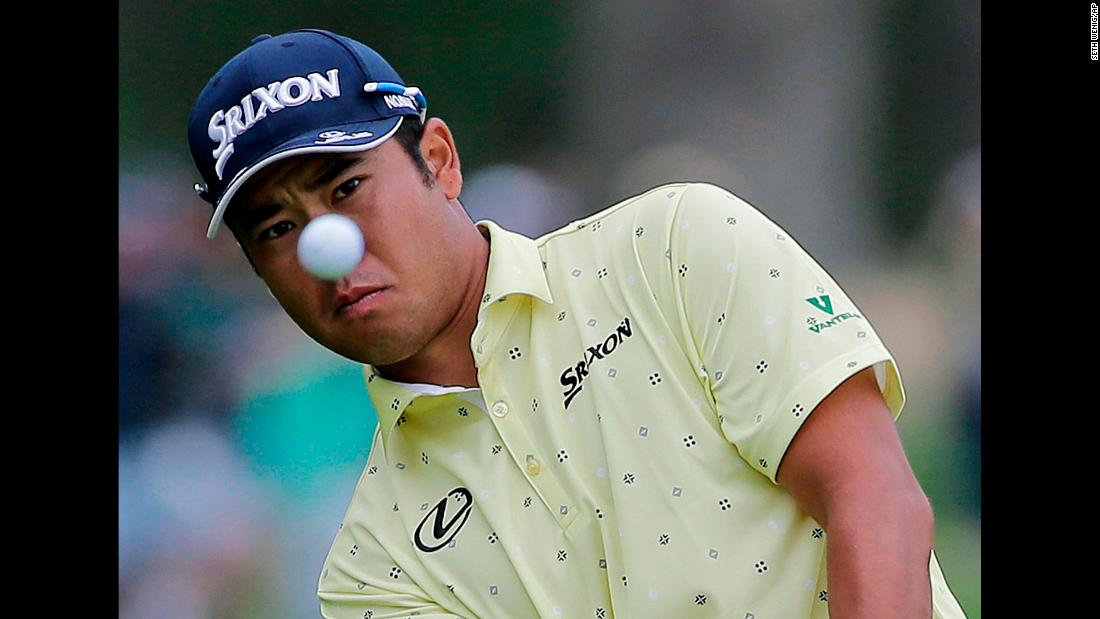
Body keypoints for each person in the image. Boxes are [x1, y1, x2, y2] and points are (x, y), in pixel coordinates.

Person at [187, 29, 967, 619]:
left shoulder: (674, 245)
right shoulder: (374, 569)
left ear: (440, 158)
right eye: (276, 229)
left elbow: (875, 498)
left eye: (348, 184)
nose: (329, 250)